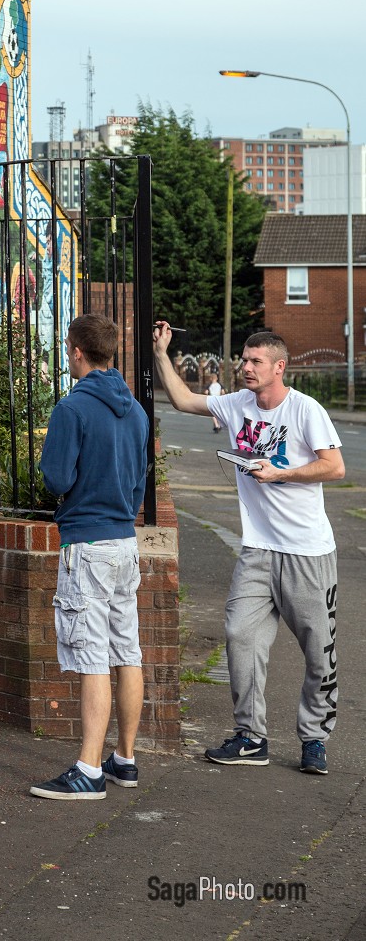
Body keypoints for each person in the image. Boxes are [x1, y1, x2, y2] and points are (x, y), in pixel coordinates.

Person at [153, 323, 344, 774]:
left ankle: (314, 738)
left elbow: (334, 467)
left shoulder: (305, 410)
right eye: (244, 359)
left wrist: (279, 474)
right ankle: (251, 736)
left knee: (319, 650)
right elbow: (183, 400)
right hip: (257, 550)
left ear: (279, 367)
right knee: (241, 636)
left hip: (307, 552)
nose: (246, 367)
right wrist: (162, 353)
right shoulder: (237, 404)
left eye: (256, 361)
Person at [30, 313, 150, 801]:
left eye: (67, 347)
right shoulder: (138, 412)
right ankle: (124, 759)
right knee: (128, 651)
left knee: (92, 655)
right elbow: (140, 485)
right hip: (125, 541)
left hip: (88, 544)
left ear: (77, 351)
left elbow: (56, 479)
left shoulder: (72, 408)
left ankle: (88, 770)